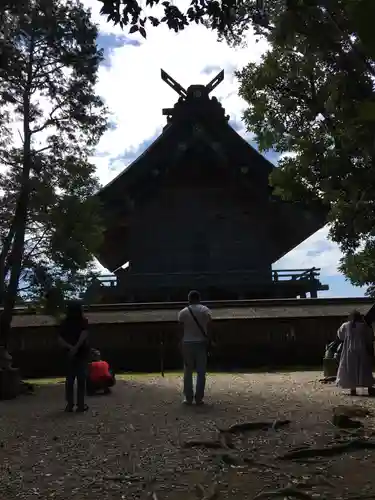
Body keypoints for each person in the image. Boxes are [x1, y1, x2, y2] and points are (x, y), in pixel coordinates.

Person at [178, 290, 212, 405]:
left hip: (187, 343)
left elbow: (180, 330)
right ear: (199, 298)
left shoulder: (183, 312)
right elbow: (210, 325)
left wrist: (180, 342)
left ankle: (188, 398)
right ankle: (199, 398)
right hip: (201, 343)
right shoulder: (205, 310)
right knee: (201, 372)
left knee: (187, 371)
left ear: (189, 299)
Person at [57, 300, 90, 412]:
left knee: (70, 380)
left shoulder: (64, 322)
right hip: (81, 353)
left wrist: (70, 347)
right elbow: (84, 335)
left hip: (69, 353)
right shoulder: (83, 321)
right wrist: (76, 347)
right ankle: (81, 404)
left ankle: (70, 404)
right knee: (81, 379)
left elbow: (59, 339)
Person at [336, 310, 375, 396]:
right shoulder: (364, 326)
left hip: (349, 350)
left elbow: (340, 335)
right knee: (364, 369)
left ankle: (352, 388)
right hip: (362, 349)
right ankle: (369, 387)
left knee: (350, 368)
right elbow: (370, 337)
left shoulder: (345, 325)